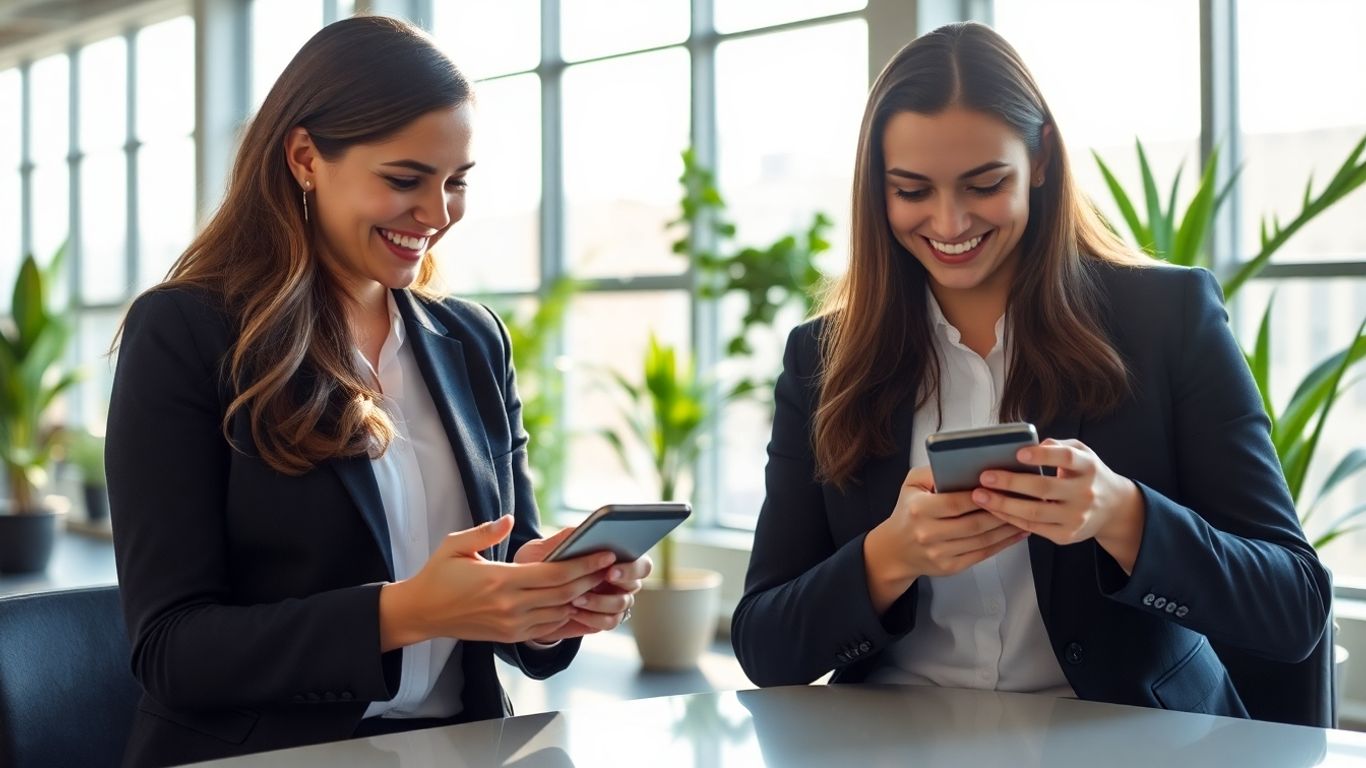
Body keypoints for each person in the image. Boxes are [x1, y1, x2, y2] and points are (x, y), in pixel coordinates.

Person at [730, 22, 1330, 719]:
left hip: (1128, 745)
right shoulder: (822, 358)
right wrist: (889, 557)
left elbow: (1294, 606)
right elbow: (764, 646)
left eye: (984, 184)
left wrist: (1122, 516)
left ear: (1041, 157)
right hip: (895, 744)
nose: (949, 222)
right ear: (876, 188)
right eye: (912, 191)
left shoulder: (1166, 319)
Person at [106, 16, 648, 767]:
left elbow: (505, 554)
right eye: (404, 180)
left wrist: (545, 599)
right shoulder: (187, 333)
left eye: (456, 182)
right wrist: (401, 614)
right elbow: (173, 649)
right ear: (304, 158)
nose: (436, 214)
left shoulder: (471, 340)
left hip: (460, 748)